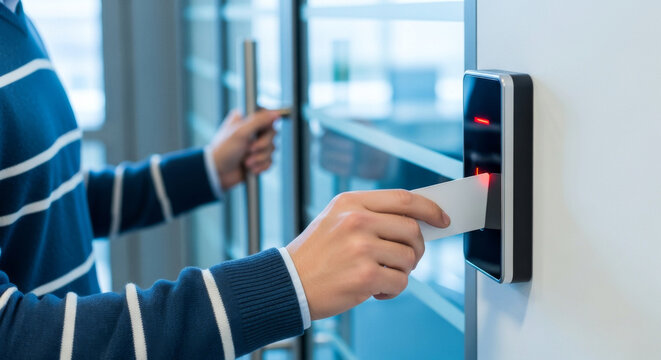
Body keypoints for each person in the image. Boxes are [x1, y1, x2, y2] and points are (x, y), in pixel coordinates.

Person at [0, 1, 451, 359]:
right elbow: (16, 340)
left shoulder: (15, 18)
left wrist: (204, 171)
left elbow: (53, 204)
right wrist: (287, 282)